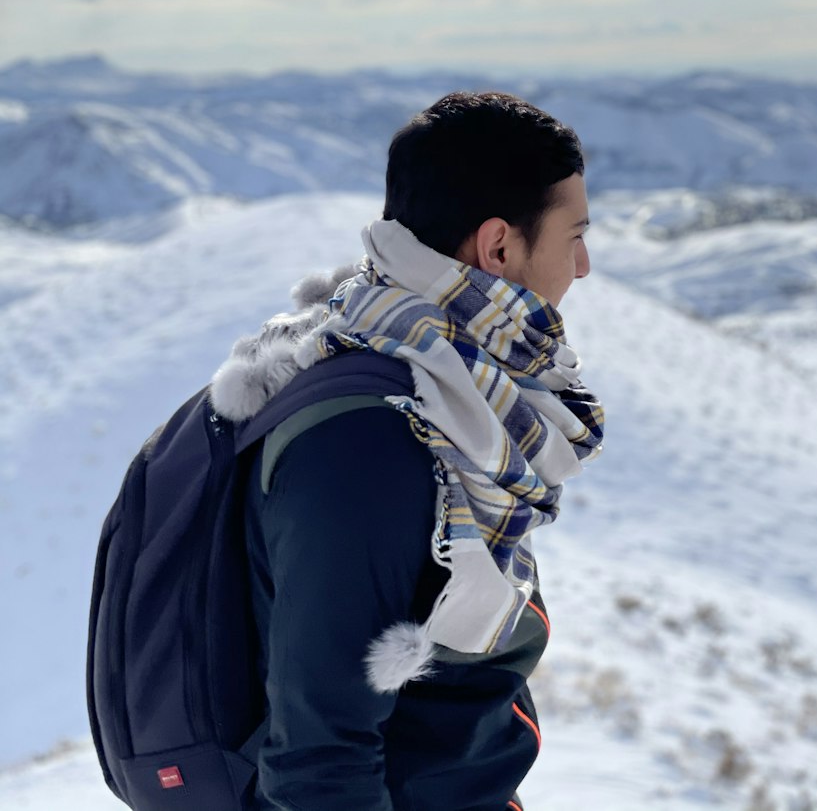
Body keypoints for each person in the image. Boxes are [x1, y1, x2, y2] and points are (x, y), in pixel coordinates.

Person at [210, 90, 605, 811]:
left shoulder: (450, 392)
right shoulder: (371, 443)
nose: (582, 265)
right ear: (498, 246)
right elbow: (317, 763)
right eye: (573, 234)